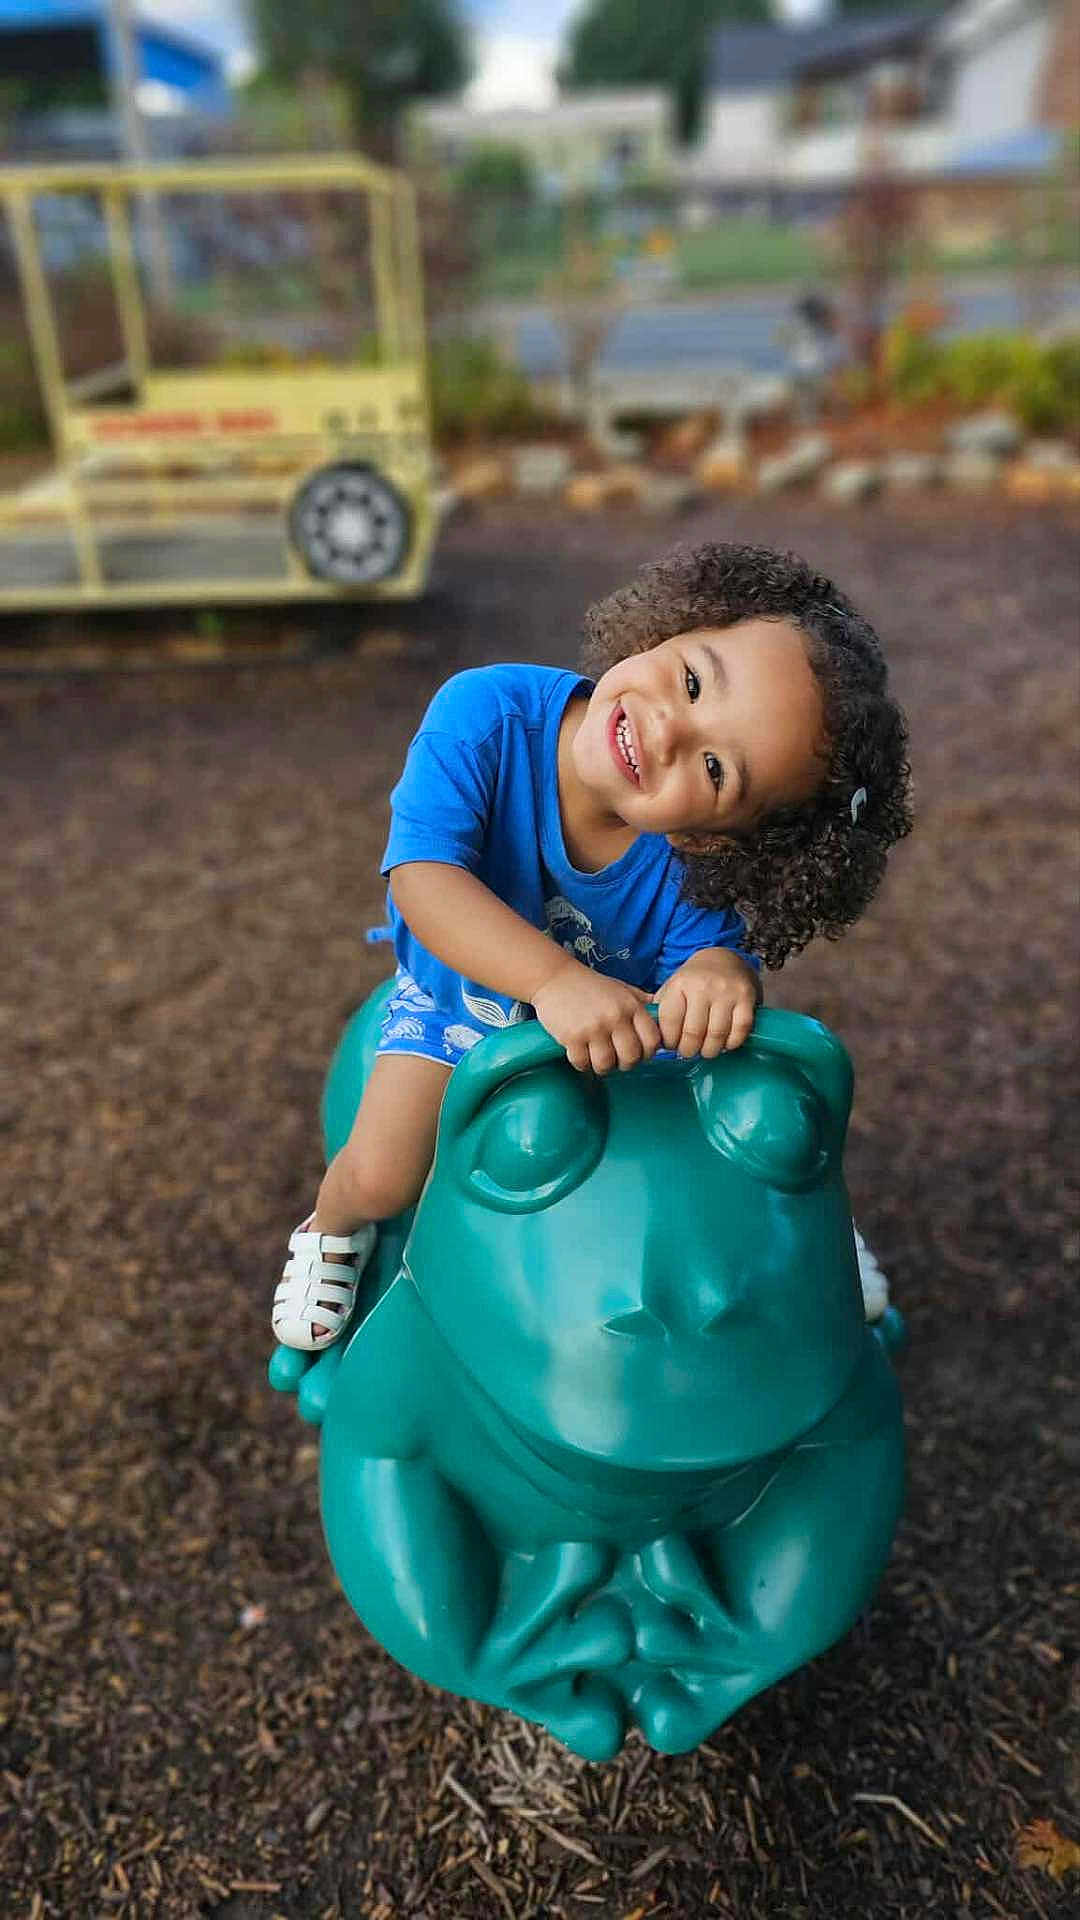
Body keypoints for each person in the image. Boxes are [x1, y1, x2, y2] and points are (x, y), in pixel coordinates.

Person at [272, 542, 912, 1351]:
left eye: (716, 768)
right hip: (465, 999)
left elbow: (706, 960)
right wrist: (552, 981)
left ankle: (804, 1227)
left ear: (716, 838)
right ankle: (330, 1229)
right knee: (385, 1172)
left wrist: (720, 973)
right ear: (677, 626)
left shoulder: (691, 864)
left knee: (756, 1125)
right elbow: (424, 882)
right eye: (691, 681)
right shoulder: (487, 714)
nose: (669, 729)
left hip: (623, 1034)